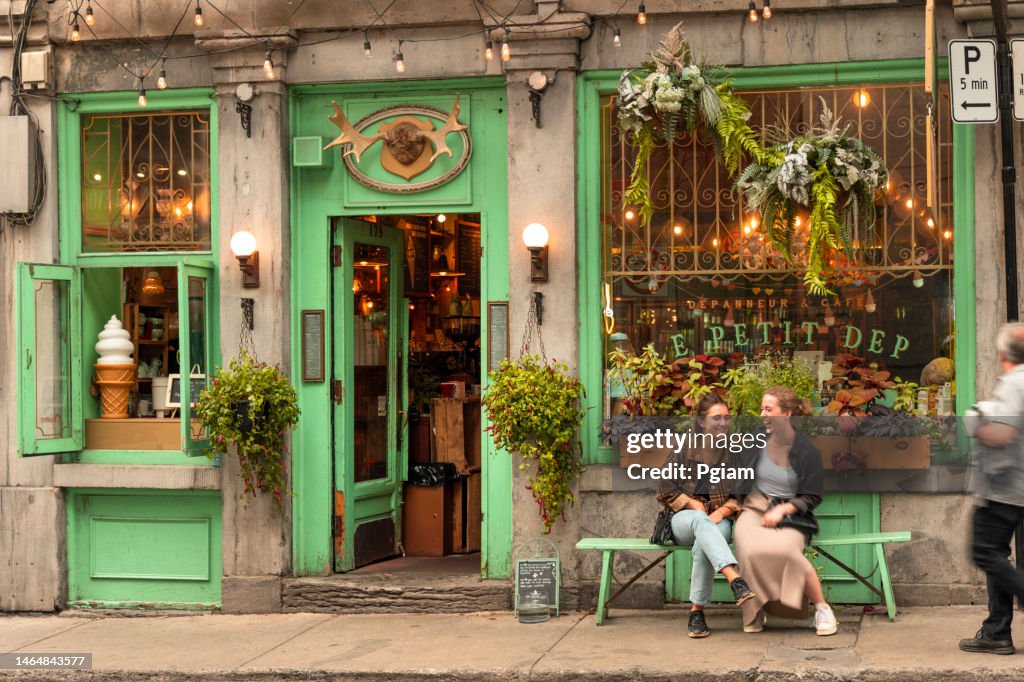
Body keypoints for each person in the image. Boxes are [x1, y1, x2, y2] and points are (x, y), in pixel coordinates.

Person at [733, 386, 838, 636]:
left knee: (787, 552)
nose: (763, 414)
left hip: (791, 512)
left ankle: (823, 608)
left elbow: (812, 495)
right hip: (753, 507)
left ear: (787, 414)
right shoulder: (754, 439)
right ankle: (754, 611)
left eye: (769, 409)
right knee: (748, 551)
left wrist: (785, 509)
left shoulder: (808, 451)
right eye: (761, 409)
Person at [656, 393, 755, 638]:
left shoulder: (734, 451)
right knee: (701, 523)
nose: (723, 423)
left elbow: (742, 493)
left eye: (726, 418)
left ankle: (696, 612)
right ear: (701, 422)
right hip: (684, 520)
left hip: (718, 520)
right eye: (716, 418)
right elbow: (664, 488)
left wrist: (722, 510)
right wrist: (691, 503)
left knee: (705, 541)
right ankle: (735, 578)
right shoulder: (683, 448)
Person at [959, 322, 1024, 656]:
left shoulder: (1014, 383)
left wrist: (978, 417)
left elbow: (1003, 433)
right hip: (1016, 488)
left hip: (1005, 486)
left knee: (985, 552)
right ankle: (997, 632)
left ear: (1002, 355)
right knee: (998, 555)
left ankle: (998, 630)